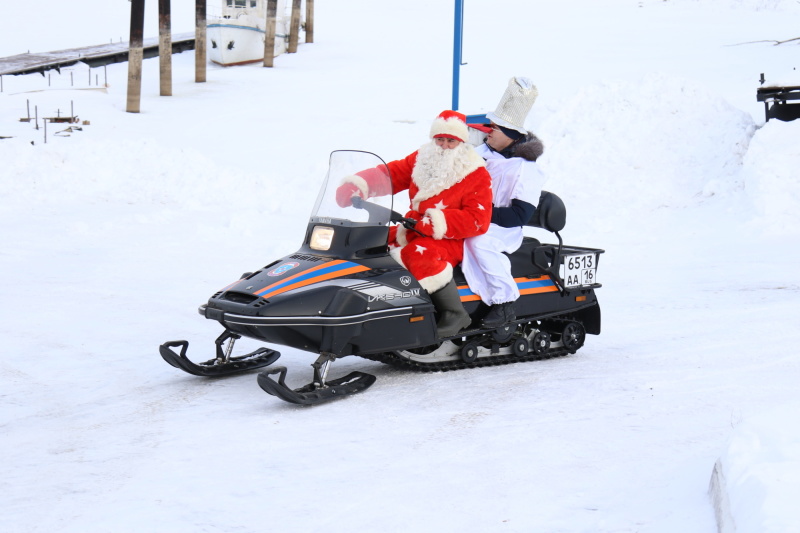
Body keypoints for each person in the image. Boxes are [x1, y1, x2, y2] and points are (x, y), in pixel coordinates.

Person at [336, 110, 493, 337]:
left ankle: (453, 312)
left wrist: (435, 223)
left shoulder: (475, 172)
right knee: (371, 242)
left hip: (447, 236)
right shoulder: (422, 158)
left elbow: (478, 220)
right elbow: (391, 173)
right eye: (440, 139)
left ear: (461, 142)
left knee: (420, 255)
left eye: (451, 141)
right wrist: (360, 186)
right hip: (411, 228)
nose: (444, 145)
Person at [462, 77, 547, 328]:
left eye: (494, 129)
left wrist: (483, 215)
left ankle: (504, 302)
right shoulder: (481, 154)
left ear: (509, 135)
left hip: (502, 228)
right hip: (475, 216)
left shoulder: (525, 170)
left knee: (479, 242)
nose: (488, 132)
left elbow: (519, 215)